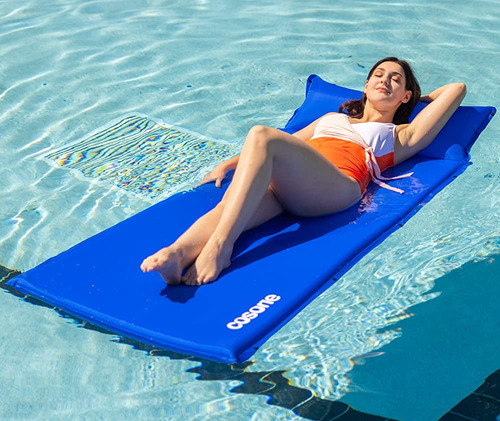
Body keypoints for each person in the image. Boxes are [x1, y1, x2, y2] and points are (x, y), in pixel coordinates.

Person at [141, 57, 466, 286]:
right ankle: (176, 253)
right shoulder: (332, 119)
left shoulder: (400, 135)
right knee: (230, 205)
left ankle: (221, 247)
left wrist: (418, 100)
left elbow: (456, 88)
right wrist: (231, 163)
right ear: (366, 86)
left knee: (261, 133)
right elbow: (287, 146)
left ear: (405, 95)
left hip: (339, 187)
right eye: (379, 75)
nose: (385, 80)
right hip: (297, 186)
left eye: (396, 80)